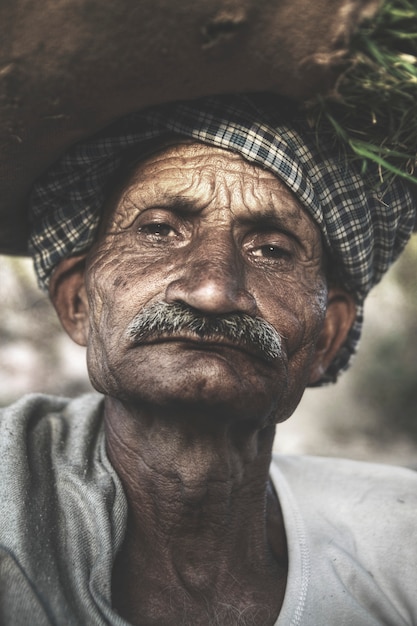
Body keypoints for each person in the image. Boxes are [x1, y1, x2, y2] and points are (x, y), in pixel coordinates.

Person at [0, 94, 416, 626]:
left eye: (272, 250)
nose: (214, 290)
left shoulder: (401, 538)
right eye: (157, 231)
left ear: (326, 338)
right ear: (79, 301)